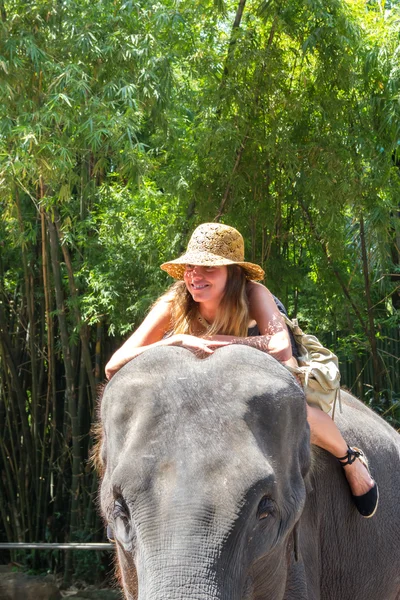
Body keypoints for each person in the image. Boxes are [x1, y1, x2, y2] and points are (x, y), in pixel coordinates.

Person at [105, 222, 378, 518]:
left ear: (232, 272)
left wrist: (215, 342)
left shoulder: (253, 293)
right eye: (190, 267)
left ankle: (349, 458)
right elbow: (114, 364)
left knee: (299, 413)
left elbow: (279, 347)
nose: (195, 275)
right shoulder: (176, 301)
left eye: (208, 268)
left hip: (259, 370)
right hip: (202, 384)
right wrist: (181, 340)